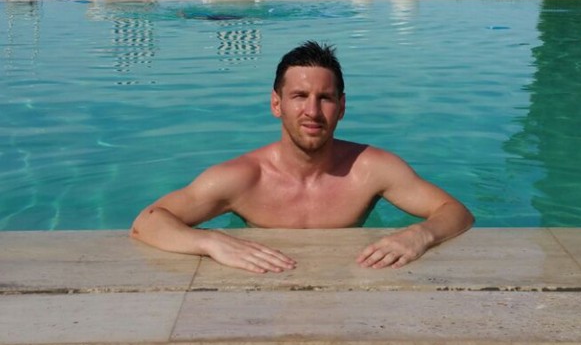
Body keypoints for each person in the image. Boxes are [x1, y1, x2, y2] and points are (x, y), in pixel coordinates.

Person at [131, 41, 474, 273]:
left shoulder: (371, 169)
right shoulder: (243, 178)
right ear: (276, 104)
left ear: (341, 107)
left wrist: (419, 235)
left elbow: (456, 212)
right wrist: (211, 242)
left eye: (325, 98)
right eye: (299, 96)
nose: (312, 111)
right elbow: (147, 222)